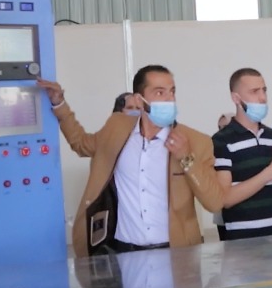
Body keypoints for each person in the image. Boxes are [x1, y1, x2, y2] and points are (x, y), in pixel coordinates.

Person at [46, 65, 224, 257]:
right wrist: (59, 105)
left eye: (172, 92)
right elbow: (81, 144)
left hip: (177, 254)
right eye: (159, 92)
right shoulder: (117, 127)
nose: (169, 99)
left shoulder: (196, 141)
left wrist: (186, 158)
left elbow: (214, 203)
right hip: (123, 251)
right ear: (139, 100)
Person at [211, 68, 272, 241]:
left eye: (264, 90)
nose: (262, 97)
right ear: (236, 98)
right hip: (242, 245)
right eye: (254, 91)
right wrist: (270, 172)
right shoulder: (221, 141)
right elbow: (225, 199)